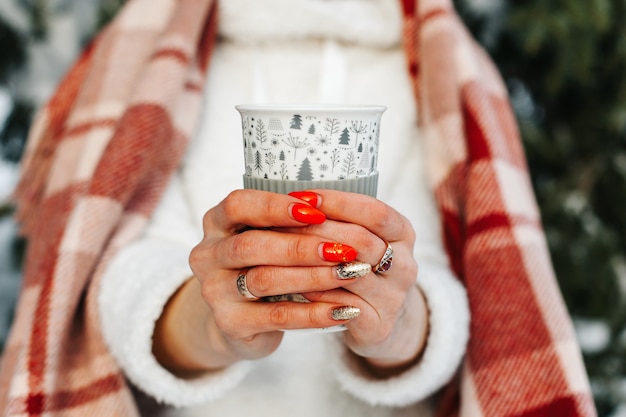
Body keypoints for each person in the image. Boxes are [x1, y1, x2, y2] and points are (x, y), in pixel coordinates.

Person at [0, 0, 596, 416]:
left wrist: (391, 323)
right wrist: (215, 326)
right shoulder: (159, 63)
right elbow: (117, 275)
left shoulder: (431, 71)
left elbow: (449, 286)